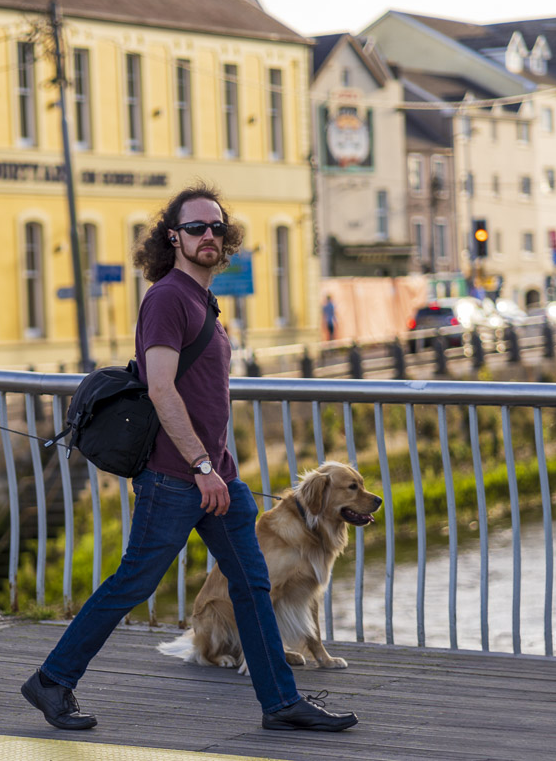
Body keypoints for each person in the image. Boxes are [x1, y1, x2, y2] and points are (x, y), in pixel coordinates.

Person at [20, 184, 358, 733]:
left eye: (216, 228)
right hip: (177, 478)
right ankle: (53, 680)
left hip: (217, 478)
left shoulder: (204, 301)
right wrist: (201, 466)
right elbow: (160, 388)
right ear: (171, 236)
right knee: (133, 583)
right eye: (196, 227)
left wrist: (216, 468)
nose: (208, 236)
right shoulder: (167, 298)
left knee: (251, 586)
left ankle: (280, 702)